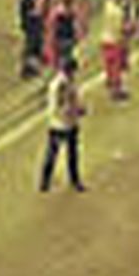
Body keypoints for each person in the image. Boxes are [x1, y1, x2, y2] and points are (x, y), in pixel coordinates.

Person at [39, 58, 87, 192]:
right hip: (59, 123)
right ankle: (45, 181)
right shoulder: (59, 85)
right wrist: (73, 111)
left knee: (72, 154)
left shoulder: (69, 82)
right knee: (53, 153)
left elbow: (75, 98)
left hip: (70, 122)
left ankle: (74, 180)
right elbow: (58, 105)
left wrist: (79, 108)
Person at [98, 0, 131, 99]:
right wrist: (130, 29)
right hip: (115, 40)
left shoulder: (107, 6)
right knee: (116, 66)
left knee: (109, 65)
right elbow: (121, 28)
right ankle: (116, 90)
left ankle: (111, 86)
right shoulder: (118, 12)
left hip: (104, 39)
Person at [19, 0, 44, 78]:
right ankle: (27, 69)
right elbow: (27, 11)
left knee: (35, 46)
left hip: (35, 23)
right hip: (30, 24)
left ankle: (33, 67)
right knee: (30, 46)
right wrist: (36, 10)